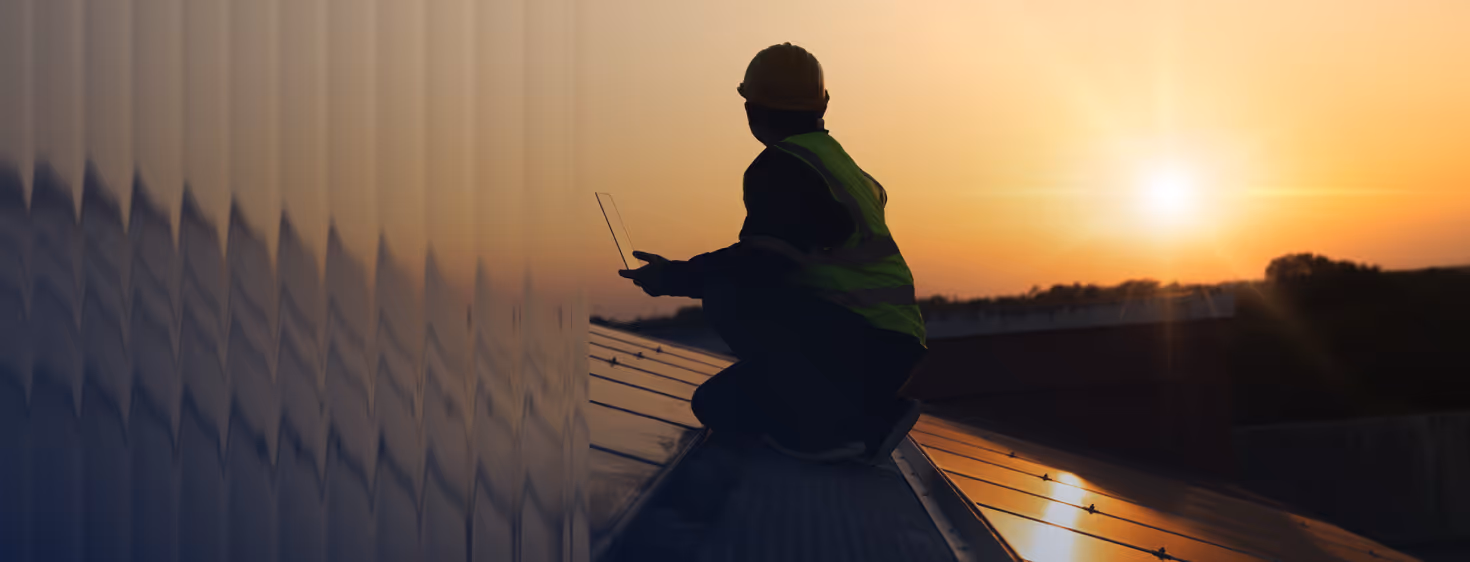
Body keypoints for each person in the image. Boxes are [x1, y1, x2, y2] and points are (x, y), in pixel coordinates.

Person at [619, 42, 926, 464]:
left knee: (730, 292)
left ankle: (848, 426)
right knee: (718, 404)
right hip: (891, 347)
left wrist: (672, 277)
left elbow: (762, 264)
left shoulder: (784, 167)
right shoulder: (843, 167)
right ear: (823, 105)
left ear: (753, 109)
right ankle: (871, 412)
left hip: (858, 347)